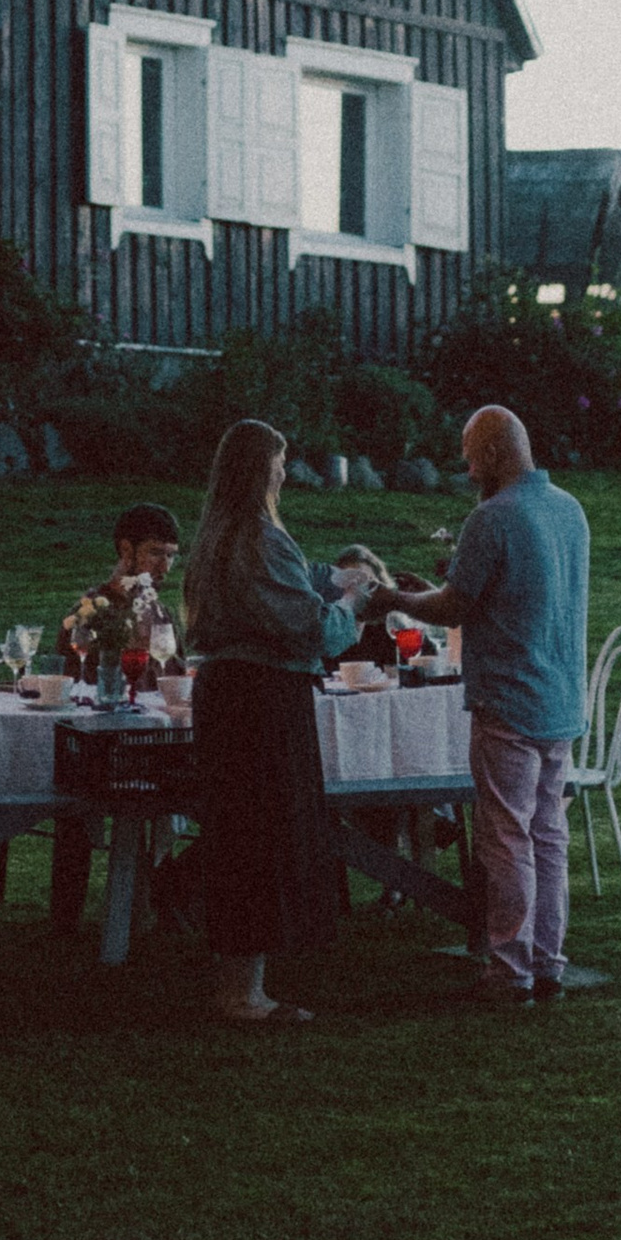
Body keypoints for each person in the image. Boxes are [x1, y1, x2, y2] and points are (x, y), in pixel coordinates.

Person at [180, 419, 359, 1027]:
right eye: (280, 462)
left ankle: (237, 979)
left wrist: (325, 580)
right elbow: (308, 627)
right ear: (262, 469)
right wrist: (351, 606)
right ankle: (244, 994)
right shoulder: (260, 537)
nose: (285, 472)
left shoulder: (214, 538)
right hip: (263, 700)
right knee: (263, 837)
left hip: (224, 695)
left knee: (236, 835)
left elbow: (280, 592)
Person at [427, 406, 589, 1005]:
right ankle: (548, 963)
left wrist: (392, 597)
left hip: (510, 702)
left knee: (506, 838)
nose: (467, 468)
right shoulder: (569, 510)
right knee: (548, 835)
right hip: (560, 699)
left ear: (494, 453)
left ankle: (509, 970)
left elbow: (453, 607)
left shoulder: (492, 518)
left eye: (471, 456)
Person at [58, 504, 183, 668]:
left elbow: (179, 678)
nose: (165, 567)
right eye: (155, 553)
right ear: (126, 550)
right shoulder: (90, 612)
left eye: (170, 555)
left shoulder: (162, 615)